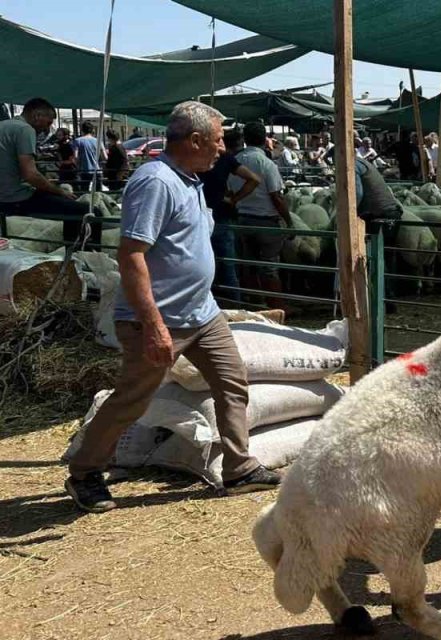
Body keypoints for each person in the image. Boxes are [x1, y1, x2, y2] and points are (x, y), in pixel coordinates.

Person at [63, 101, 281, 513]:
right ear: (195, 140)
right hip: (161, 319)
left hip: (202, 312)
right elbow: (131, 255)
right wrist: (153, 325)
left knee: (232, 381)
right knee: (133, 399)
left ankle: (239, 468)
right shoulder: (156, 182)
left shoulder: (191, 180)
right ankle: (85, 472)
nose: (222, 149)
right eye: (217, 140)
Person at [0, 97, 97, 247]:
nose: (48, 128)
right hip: (16, 198)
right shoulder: (25, 129)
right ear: (37, 115)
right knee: (87, 212)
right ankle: (78, 256)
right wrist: (59, 191)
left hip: (4, 196)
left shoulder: (3, 126)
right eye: (49, 122)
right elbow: (30, 174)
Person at [228, 123, 292, 307]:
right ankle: (277, 306)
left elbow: (230, 191)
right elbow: (276, 196)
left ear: (245, 139)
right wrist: (288, 221)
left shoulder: (236, 162)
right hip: (266, 222)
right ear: (265, 139)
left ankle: (255, 303)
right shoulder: (266, 163)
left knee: (249, 265)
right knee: (269, 267)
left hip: (242, 220)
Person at [198, 127, 260, 303]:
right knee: (228, 265)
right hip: (221, 217)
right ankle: (235, 306)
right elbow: (254, 179)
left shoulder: (194, 160)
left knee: (201, 265)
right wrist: (234, 199)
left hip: (199, 217)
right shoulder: (226, 160)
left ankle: (205, 304)